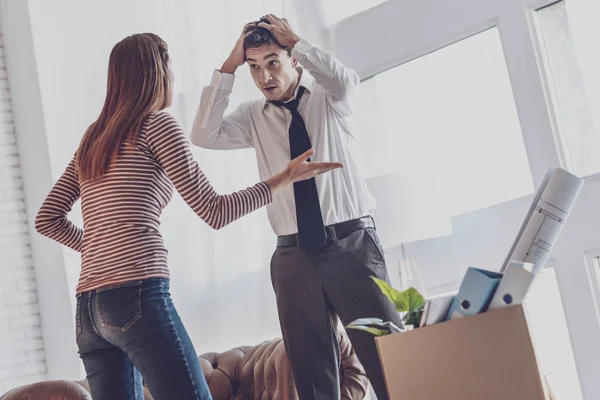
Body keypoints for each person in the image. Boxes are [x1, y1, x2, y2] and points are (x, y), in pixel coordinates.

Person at [35, 32, 341, 400]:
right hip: (136, 295)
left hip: (89, 311)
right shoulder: (156, 125)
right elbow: (215, 211)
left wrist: (97, 246)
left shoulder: (93, 139)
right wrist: (283, 177)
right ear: (160, 72)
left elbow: (47, 218)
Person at [190, 14, 402, 400]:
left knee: (391, 362)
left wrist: (298, 39)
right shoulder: (253, 116)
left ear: (295, 60)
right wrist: (229, 67)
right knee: (312, 379)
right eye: (254, 67)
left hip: (352, 245)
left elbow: (344, 80)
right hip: (292, 259)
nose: (264, 76)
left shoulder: (329, 98)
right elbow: (204, 134)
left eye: (272, 62)